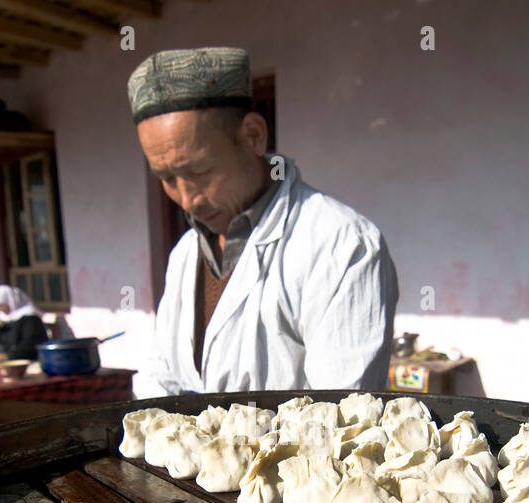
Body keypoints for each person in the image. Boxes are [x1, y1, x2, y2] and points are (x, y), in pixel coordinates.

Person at [127, 47, 398, 398]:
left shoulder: (343, 246)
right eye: (166, 178)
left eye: (200, 171)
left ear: (253, 135)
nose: (188, 199)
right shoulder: (184, 254)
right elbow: (160, 377)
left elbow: (339, 419)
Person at [0, 285, 54, 360]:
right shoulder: (4, 318)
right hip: (12, 361)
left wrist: (9, 356)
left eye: (2, 306)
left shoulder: (30, 318)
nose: (1, 309)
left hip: (31, 360)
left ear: (11, 302)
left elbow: (30, 343)